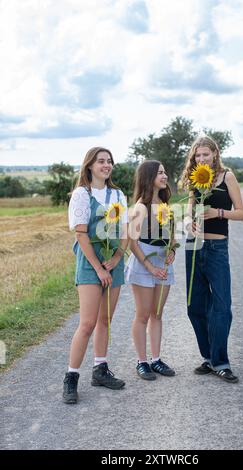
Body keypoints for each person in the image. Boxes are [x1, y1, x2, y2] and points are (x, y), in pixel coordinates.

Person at [63, 147, 128, 404]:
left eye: (110, 161)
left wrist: (115, 259)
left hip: (114, 261)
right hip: (90, 263)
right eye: (101, 161)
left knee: (105, 320)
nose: (107, 165)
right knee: (87, 323)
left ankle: (100, 369)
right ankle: (71, 377)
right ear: (90, 165)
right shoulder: (82, 194)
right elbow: (81, 234)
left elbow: (125, 231)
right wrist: (100, 268)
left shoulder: (118, 194)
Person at [181, 136, 243, 383]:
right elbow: (188, 212)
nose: (201, 159)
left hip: (217, 247)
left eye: (205, 154)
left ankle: (221, 361)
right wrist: (189, 223)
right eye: (198, 155)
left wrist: (216, 212)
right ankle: (208, 358)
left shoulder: (227, 177)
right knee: (195, 305)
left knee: (222, 306)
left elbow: (241, 213)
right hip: (194, 246)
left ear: (215, 154)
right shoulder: (195, 179)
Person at [125, 160, 177, 380]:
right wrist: (149, 266)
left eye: (165, 172)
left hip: (163, 264)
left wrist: (172, 250)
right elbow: (132, 242)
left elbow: (172, 237)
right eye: (159, 173)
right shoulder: (140, 207)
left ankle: (156, 360)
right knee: (143, 314)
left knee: (157, 313)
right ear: (148, 178)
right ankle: (142, 361)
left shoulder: (166, 206)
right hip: (144, 263)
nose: (164, 176)